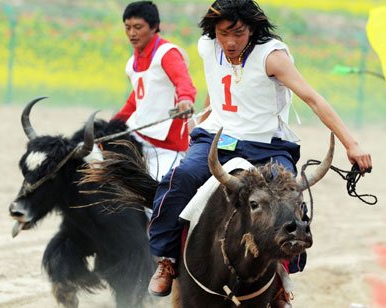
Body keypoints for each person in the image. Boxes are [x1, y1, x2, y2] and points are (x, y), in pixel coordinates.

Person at [147, 0, 372, 307]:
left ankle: (280, 278)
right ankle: (167, 259)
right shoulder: (206, 46)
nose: (230, 41)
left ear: (251, 29)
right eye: (223, 32)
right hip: (218, 139)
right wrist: (204, 115)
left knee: (290, 200)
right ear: (214, 31)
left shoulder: (272, 56)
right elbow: (217, 85)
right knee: (180, 178)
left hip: (266, 146)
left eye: (238, 33)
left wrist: (351, 144)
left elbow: (312, 98)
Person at [111, 1, 197, 181]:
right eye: (127, 27)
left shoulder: (167, 53)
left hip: (167, 147)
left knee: (155, 197)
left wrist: (185, 99)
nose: (132, 33)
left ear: (154, 27)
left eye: (138, 27)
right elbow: (136, 101)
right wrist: (111, 127)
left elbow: (183, 81)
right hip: (139, 137)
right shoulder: (131, 64)